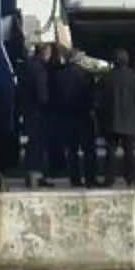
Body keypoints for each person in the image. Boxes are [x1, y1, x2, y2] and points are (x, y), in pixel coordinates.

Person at [100, 46, 135, 186]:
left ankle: (109, 179)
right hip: (129, 119)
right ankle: (131, 178)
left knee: (110, 151)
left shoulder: (106, 78)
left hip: (111, 119)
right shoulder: (134, 78)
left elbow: (100, 99)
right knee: (129, 151)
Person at [51, 43, 98, 188]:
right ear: (78, 59)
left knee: (72, 150)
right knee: (89, 150)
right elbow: (92, 96)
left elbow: (55, 97)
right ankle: (90, 178)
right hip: (83, 116)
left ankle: (75, 178)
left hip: (67, 116)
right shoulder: (86, 75)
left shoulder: (59, 75)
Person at [18, 30, 56, 188]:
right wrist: (48, 105)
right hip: (38, 113)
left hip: (27, 111)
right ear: (45, 54)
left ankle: (31, 176)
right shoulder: (40, 70)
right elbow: (42, 94)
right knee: (38, 146)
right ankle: (37, 176)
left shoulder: (27, 67)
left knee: (32, 145)